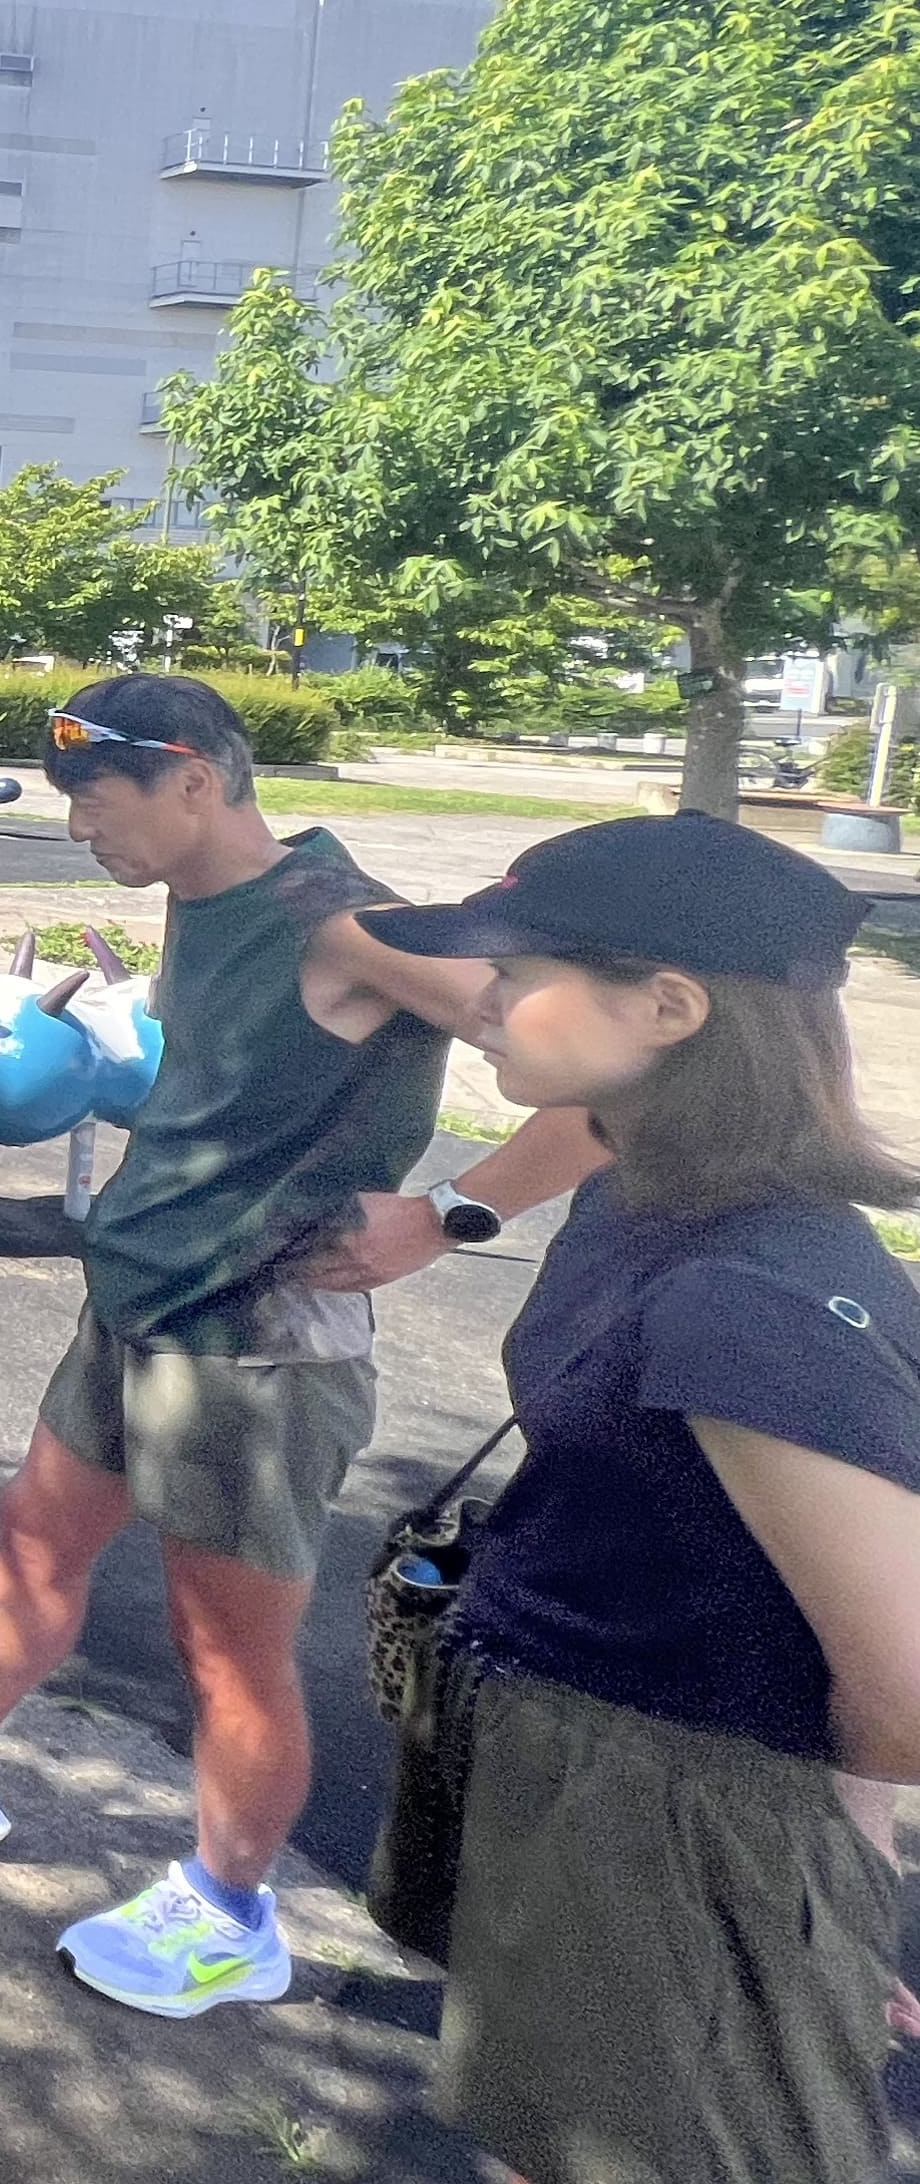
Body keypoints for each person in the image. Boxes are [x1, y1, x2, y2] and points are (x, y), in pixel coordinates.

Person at [0, 671, 607, 2018]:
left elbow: (608, 1081)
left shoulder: (339, 920)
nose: (77, 828)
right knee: (34, 1536)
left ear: (194, 779)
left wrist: (453, 1213)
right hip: (141, 1300)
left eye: (95, 800)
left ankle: (233, 1917)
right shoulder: (200, 892)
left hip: (258, 1344)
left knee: (225, 1649)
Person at [357, 815, 918, 2183]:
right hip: (573, 1772)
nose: (480, 997)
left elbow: (904, 1690)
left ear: (671, 1007)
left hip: (671, 1829)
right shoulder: (638, 1187)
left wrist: (823, 1878)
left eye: (517, 969)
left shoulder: (753, 1299)